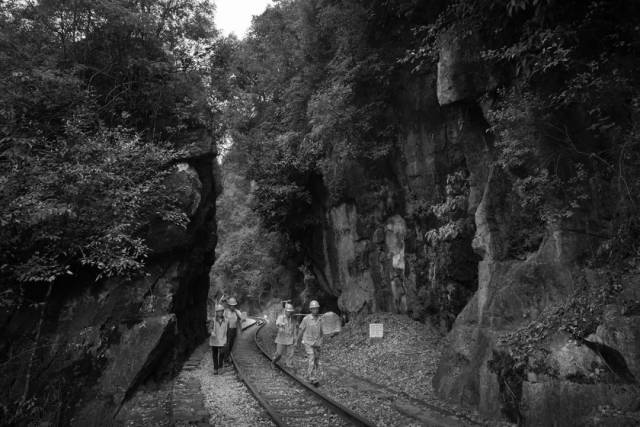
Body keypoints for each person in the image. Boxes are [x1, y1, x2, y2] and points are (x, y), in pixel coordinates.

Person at [297, 300, 323, 382]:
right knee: (311, 357)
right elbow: (301, 330)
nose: (315, 310)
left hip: (317, 343)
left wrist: (322, 340)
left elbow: (322, 331)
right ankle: (310, 376)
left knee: (316, 360)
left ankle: (314, 375)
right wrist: (297, 341)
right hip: (308, 342)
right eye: (313, 309)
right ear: (310, 310)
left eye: (316, 309)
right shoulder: (306, 319)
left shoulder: (320, 319)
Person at [272, 303, 296, 369]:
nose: (289, 313)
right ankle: (273, 362)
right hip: (281, 338)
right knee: (279, 354)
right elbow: (277, 323)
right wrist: (280, 325)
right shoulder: (281, 317)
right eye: (288, 311)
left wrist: (295, 338)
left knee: (290, 353)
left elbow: (294, 329)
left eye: (290, 312)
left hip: (289, 338)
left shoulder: (292, 319)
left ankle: (288, 364)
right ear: (285, 311)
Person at [209, 304, 228, 375]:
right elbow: (210, 328)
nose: (220, 313)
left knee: (222, 353)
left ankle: (220, 367)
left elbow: (227, 330)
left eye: (221, 311)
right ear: (216, 312)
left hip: (222, 339)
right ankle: (215, 369)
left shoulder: (226, 320)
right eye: (218, 311)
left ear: (223, 312)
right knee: (215, 354)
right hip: (215, 340)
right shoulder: (213, 320)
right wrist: (212, 332)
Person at [224, 297, 242, 362]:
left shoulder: (237, 311)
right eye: (231, 305)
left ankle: (228, 356)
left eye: (233, 305)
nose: (232, 307)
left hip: (234, 330)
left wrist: (237, 313)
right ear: (229, 305)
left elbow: (243, 318)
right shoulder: (225, 312)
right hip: (227, 330)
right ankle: (225, 358)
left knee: (232, 344)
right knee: (227, 344)